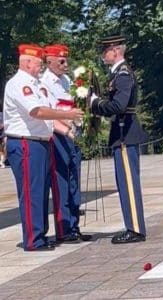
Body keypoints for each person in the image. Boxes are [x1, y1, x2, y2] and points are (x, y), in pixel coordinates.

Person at [3, 44, 84, 251]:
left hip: (40, 141)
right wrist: (68, 116)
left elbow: (49, 113)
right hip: (25, 142)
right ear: (27, 62)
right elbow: (37, 111)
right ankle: (33, 239)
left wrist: (67, 129)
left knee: (40, 191)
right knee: (32, 192)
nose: (41, 67)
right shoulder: (20, 84)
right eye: (39, 63)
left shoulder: (36, 84)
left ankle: (41, 234)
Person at [90, 35, 148, 244]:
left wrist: (95, 104)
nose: (103, 54)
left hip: (125, 132)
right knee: (125, 182)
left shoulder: (122, 75)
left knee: (129, 184)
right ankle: (133, 226)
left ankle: (135, 229)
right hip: (123, 131)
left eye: (105, 50)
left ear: (115, 51)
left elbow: (118, 106)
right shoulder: (118, 74)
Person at [41, 44, 91, 243]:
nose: (65, 64)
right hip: (58, 135)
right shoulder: (45, 82)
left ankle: (74, 225)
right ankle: (64, 229)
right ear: (49, 61)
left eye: (66, 60)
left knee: (74, 182)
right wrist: (68, 127)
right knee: (61, 181)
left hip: (73, 133)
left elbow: (73, 103)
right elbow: (52, 111)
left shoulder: (67, 80)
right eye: (61, 61)